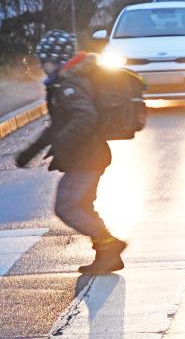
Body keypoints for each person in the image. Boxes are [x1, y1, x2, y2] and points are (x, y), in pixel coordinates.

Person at [15, 30, 127, 275]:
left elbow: (85, 117)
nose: (42, 65)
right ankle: (107, 254)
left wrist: (62, 143)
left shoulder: (69, 84)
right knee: (83, 205)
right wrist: (32, 150)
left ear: (55, 59)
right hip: (88, 156)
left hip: (86, 158)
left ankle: (110, 245)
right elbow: (57, 124)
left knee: (67, 206)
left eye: (44, 60)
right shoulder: (64, 81)